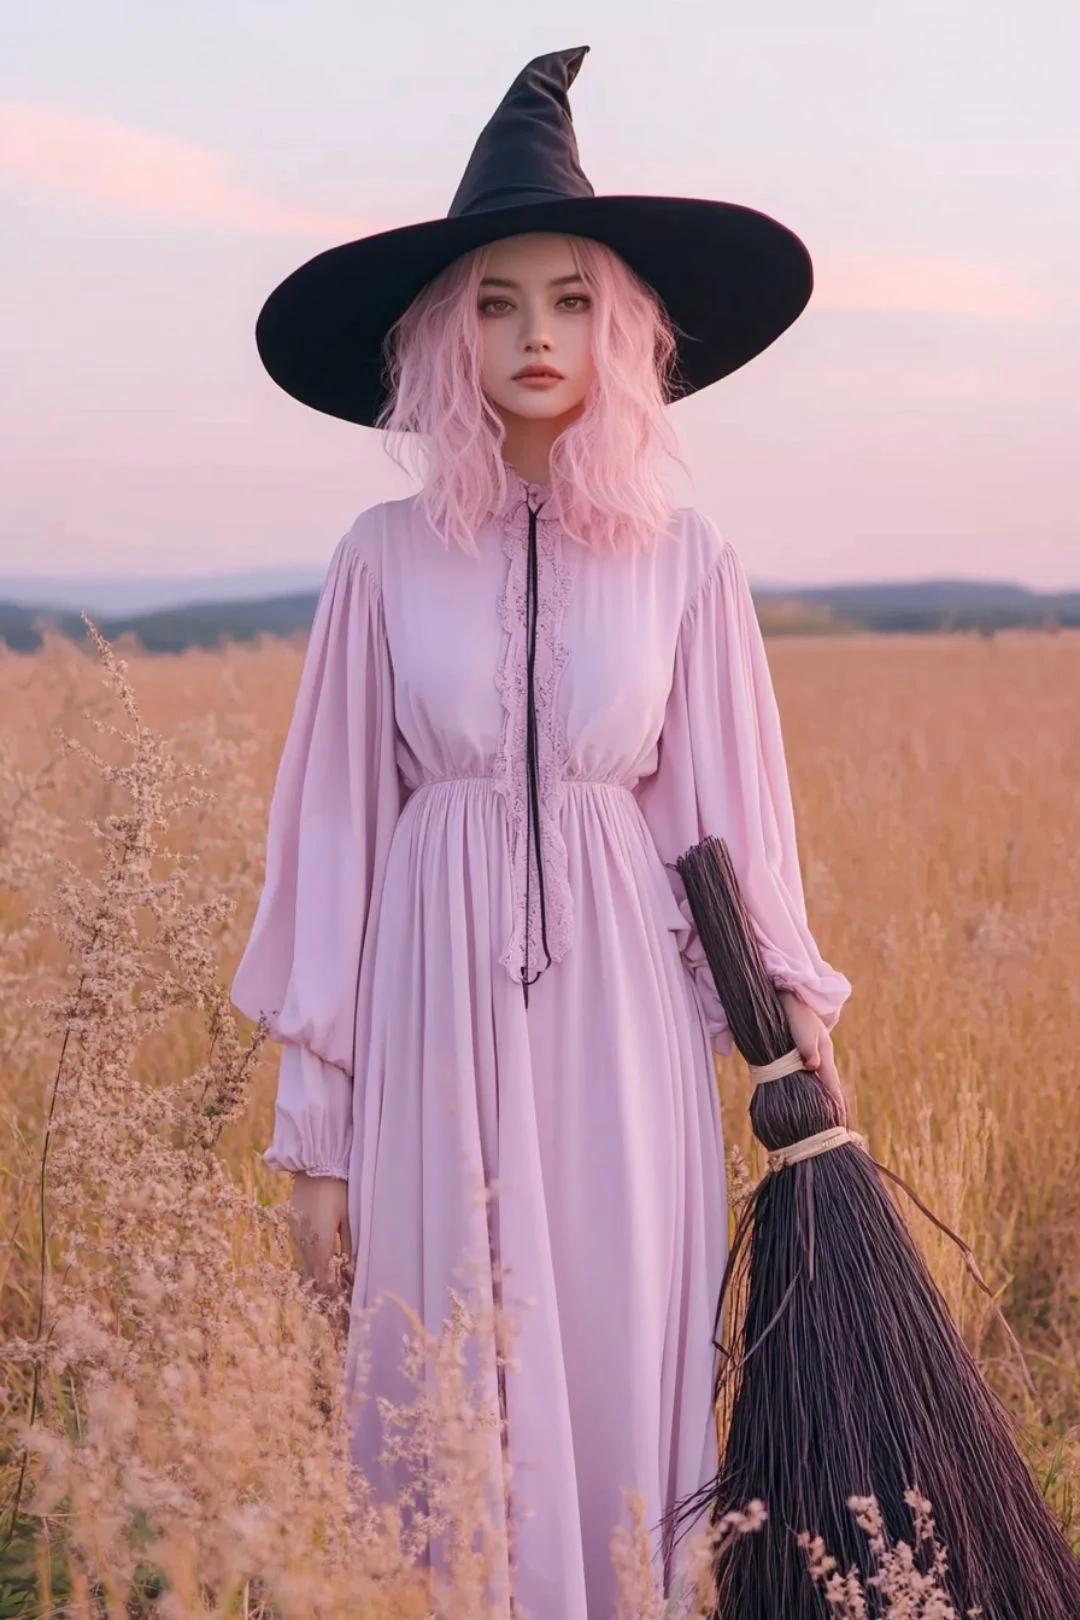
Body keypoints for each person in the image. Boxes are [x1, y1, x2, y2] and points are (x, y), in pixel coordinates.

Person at [230, 45, 852, 1619]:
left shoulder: (686, 561)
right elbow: (331, 852)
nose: (534, 335)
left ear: (624, 326)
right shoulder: (377, 561)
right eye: (497, 301)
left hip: (624, 1036)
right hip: (427, 1027)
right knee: (439, 1364)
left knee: (613, 1352)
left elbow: (728, 821)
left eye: (571, 298)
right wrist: (316, 1135)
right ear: (449, 330)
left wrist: (793, 1040)